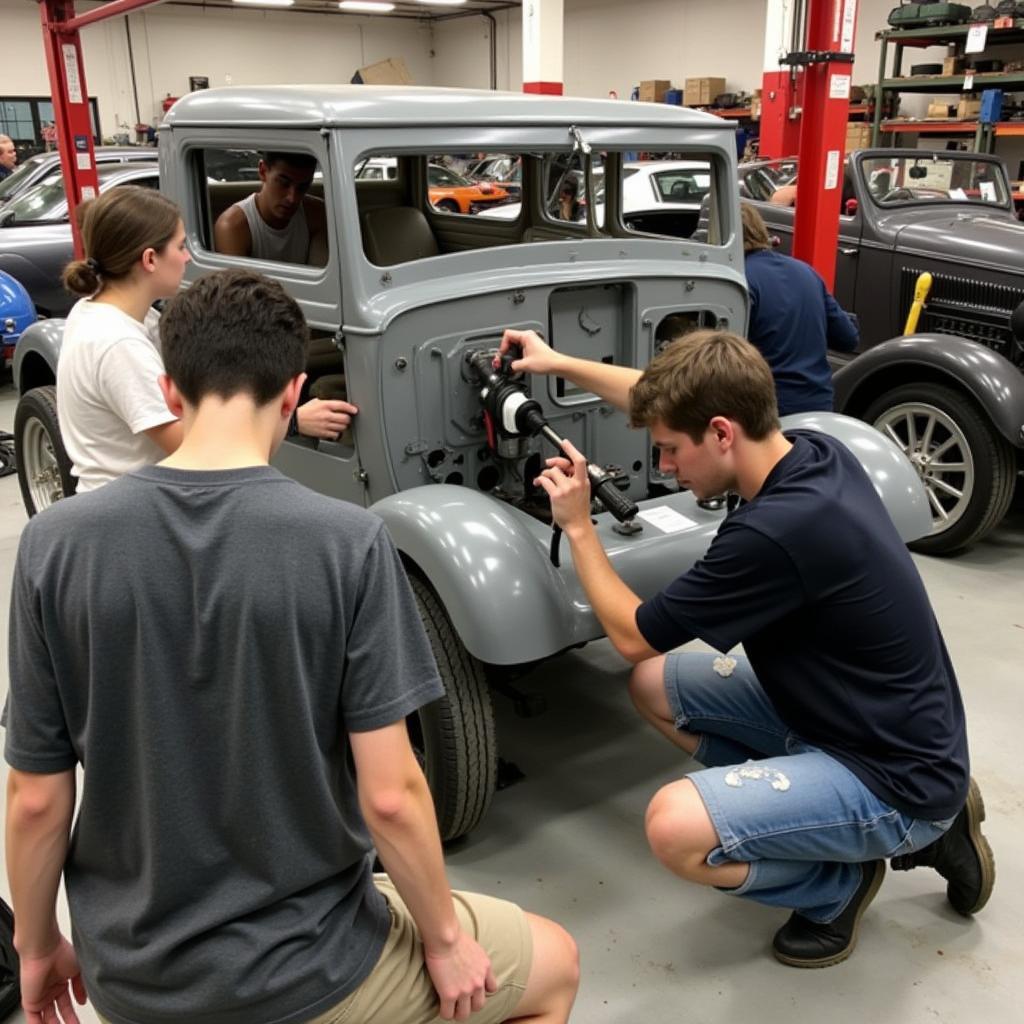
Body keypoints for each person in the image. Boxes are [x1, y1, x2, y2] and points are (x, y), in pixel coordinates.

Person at [4, 268, 579, 1024]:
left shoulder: (53, 544)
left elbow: (36, 800)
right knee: (556, 963)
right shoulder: (347, 543)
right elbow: (391, 795)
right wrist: (443, 942)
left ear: (171, 391)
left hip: (135, 978)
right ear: (292, 394)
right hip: (310, 967)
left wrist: (38, 947)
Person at [497, 325, 994, 968]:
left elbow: (630, 635)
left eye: (671, 450)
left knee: (674, 827)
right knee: (657, 687)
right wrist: (556, 361)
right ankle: (864, 821)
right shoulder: (809, 451)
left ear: (722, 433)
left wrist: (579, 526)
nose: (666, 467)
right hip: (872, 724)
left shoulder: (773, 534)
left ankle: (836, 882)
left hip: (896, 773)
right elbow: (663, 399)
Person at [58, 186, 356, 492]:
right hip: (132, 513)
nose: (187, 257)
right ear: (149, 259)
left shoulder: (111, 313)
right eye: (180, 246)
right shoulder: (117, 343)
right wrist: (292, 420)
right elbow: (198, 448)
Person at [740, 202, 858, 415]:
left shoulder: (739, 283)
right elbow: (848, 339)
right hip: (819, 406)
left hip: (766, 413)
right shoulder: (807, 272)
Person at [214, 150, 328, 265]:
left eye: (302, 187)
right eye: (284, 183)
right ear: (263, 171)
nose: (292, 198)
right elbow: (239, 282)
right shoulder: (233, 225)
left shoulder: (316, 214)